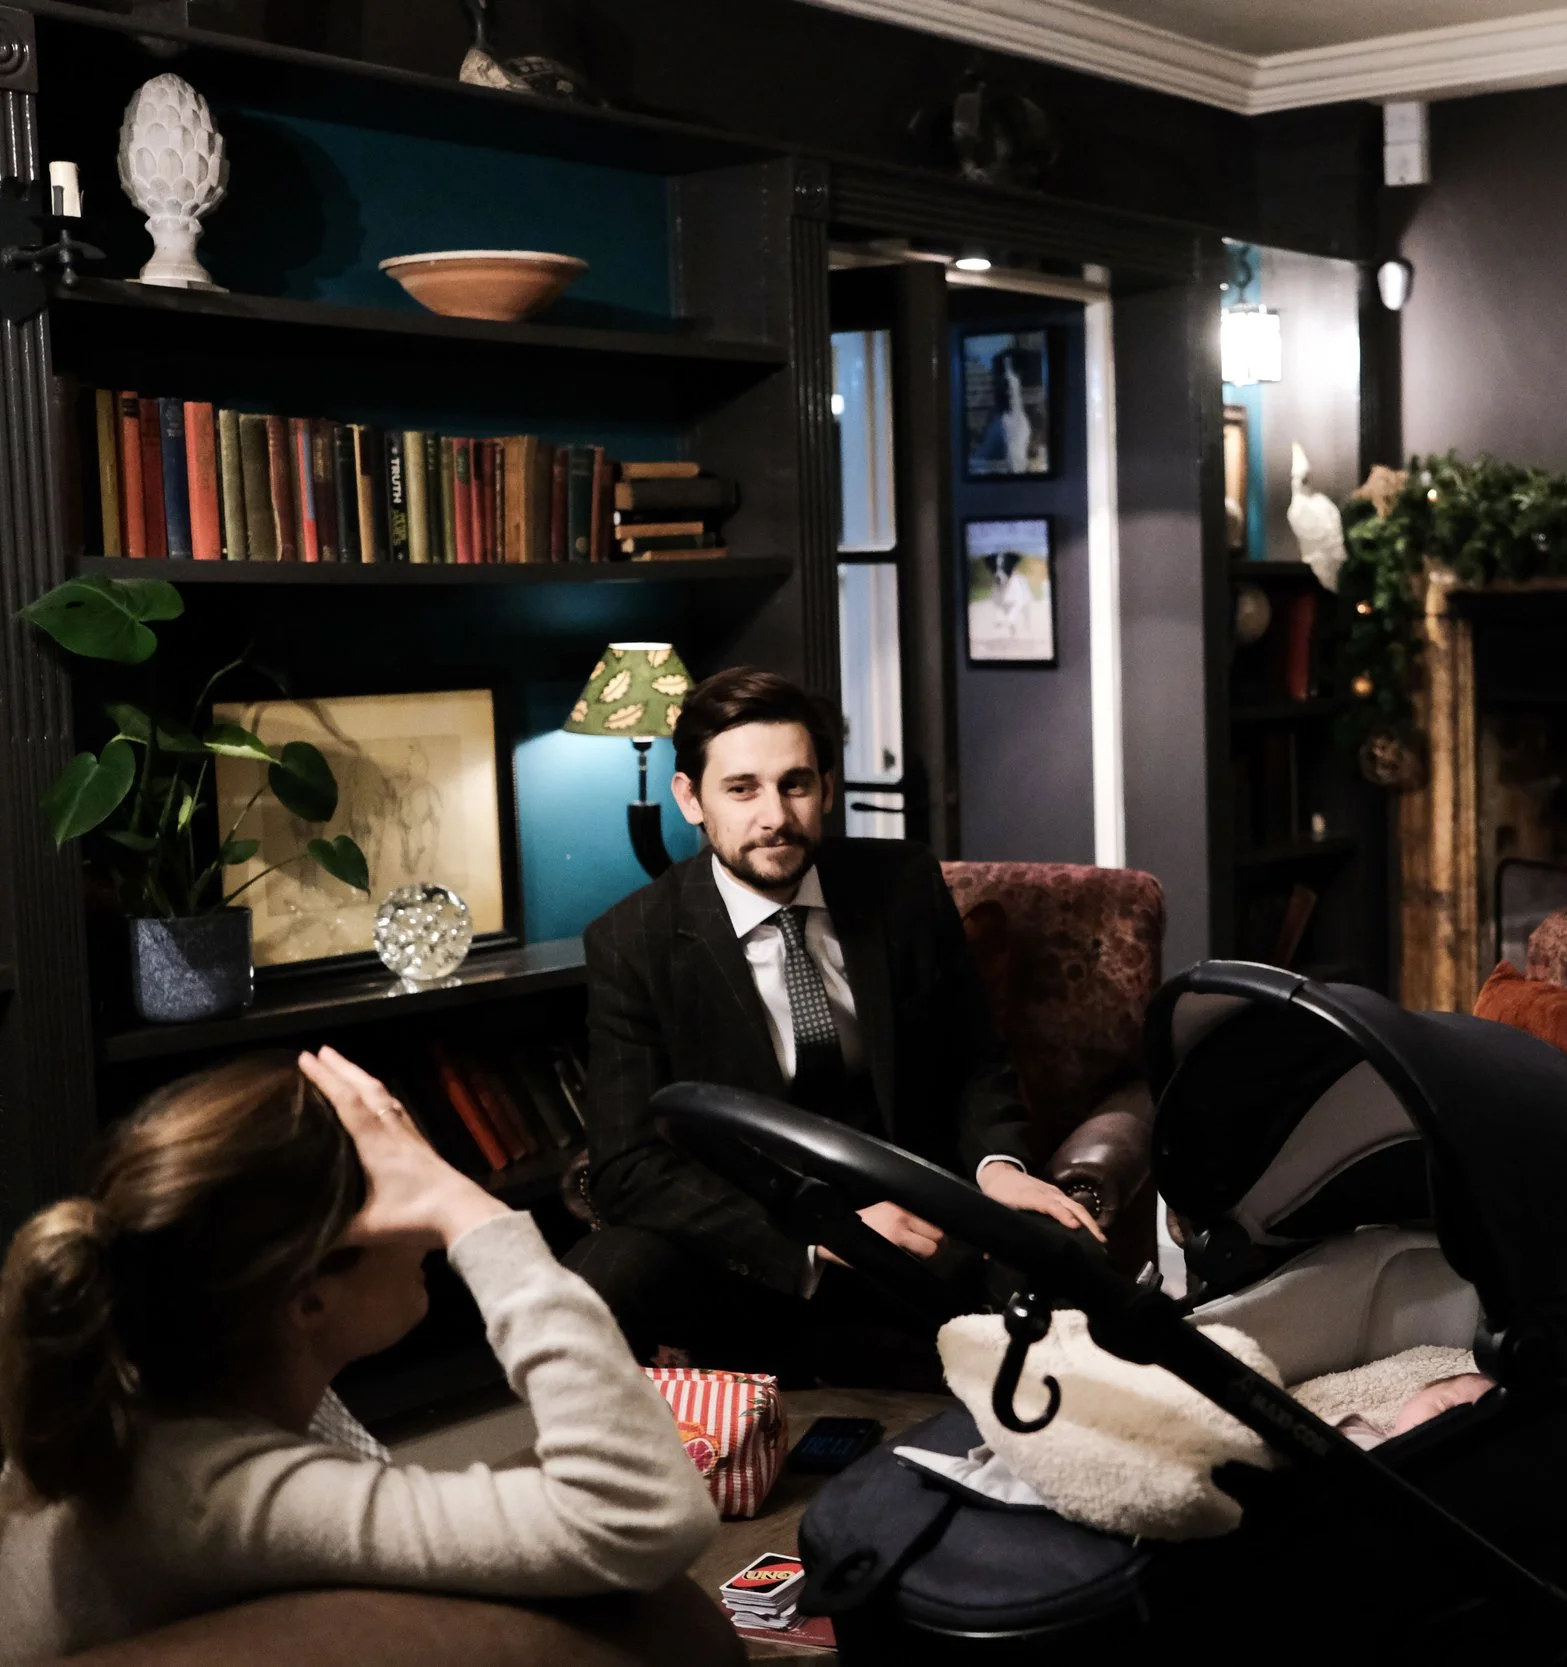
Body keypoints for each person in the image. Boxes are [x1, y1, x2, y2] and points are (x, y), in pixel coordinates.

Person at [0, 1049, 716, 1662]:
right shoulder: (214, 1495)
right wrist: (476, 1213)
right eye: (403, 1191)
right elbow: (646, 1512)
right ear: (309, 1298)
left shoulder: (165, 1391)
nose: (431, 1231)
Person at [564, 666, 1099, 1376]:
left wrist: (997, 1166)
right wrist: (811, 1238)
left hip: (916, 1211)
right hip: (753, 1234)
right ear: (690, 798)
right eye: (741, 788)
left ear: (828, 787)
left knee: (1069, 1264)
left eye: (795, 783)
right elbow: (626, 1165)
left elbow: (974, 1057)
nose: (775, 817)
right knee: (598, 1282)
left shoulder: (902, 884)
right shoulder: (631, 940)